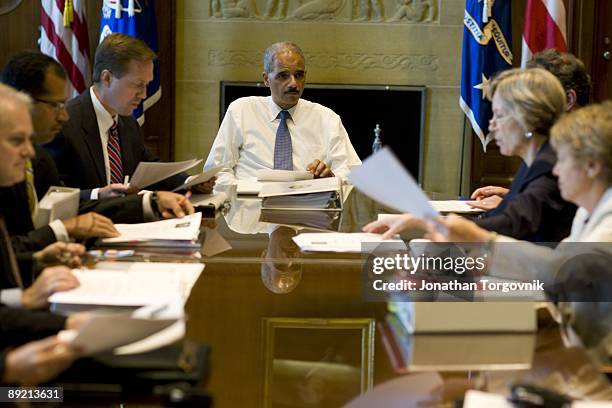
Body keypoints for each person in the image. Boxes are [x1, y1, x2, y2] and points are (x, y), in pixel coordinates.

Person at [365, 102, 612, 351]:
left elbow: (565, 273)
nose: (555, 170)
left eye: (563, 160)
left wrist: (481, 241)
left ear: (592, 166)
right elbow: (553, 275)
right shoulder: (587, 212)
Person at [0, 51, 195, 260]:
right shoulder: (31, 151)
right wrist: (61, 232)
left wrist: (150, 202)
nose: (64, 115)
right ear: (21, 101)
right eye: (56, 106)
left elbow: (70, 208)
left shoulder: (38, 158)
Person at [43, 33, 214, 198]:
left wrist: (189, 181)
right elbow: (52, 194)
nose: (144, 94)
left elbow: (149, 169)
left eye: (147, 85)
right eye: (138, 85)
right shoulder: (64, 124)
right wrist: (97, 195)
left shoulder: (127, 123)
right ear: (107, 78)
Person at [205, 41, 361, 184]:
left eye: (299, 75)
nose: (293, 83)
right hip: (252, 204)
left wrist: (331, 180)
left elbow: (353, 173)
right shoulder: (241, 110)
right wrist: (242, 194)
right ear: (266, 79)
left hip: (308, 205)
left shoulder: (327, 118)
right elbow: (216, 170)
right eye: (283, 76)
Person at [462, 68, 576, 241]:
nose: (492, 126)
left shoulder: (552, 166)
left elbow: (514, 224)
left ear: (528, 119)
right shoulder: (533, 159)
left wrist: (443, 227)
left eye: (499, 115)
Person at [470, 50, 591, 212]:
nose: (524, 109)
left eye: (532, 98)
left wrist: (513, 203)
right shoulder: (546, 143)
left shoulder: (581, 149)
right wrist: (513, 197)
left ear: (568, 99)